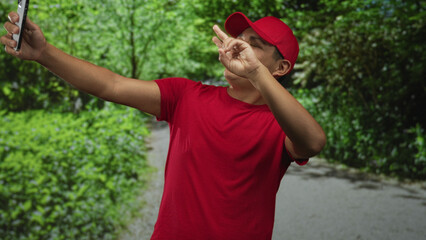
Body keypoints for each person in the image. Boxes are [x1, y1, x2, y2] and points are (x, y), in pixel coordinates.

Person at [2, 10, 326, 240]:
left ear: (281, 66)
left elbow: (313, 142)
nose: (238, 46)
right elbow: (111, 85)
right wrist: (44, 52)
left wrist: (256, 73)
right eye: (238, 38)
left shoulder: (281, 124)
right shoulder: (187, 95)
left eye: (254, 44)